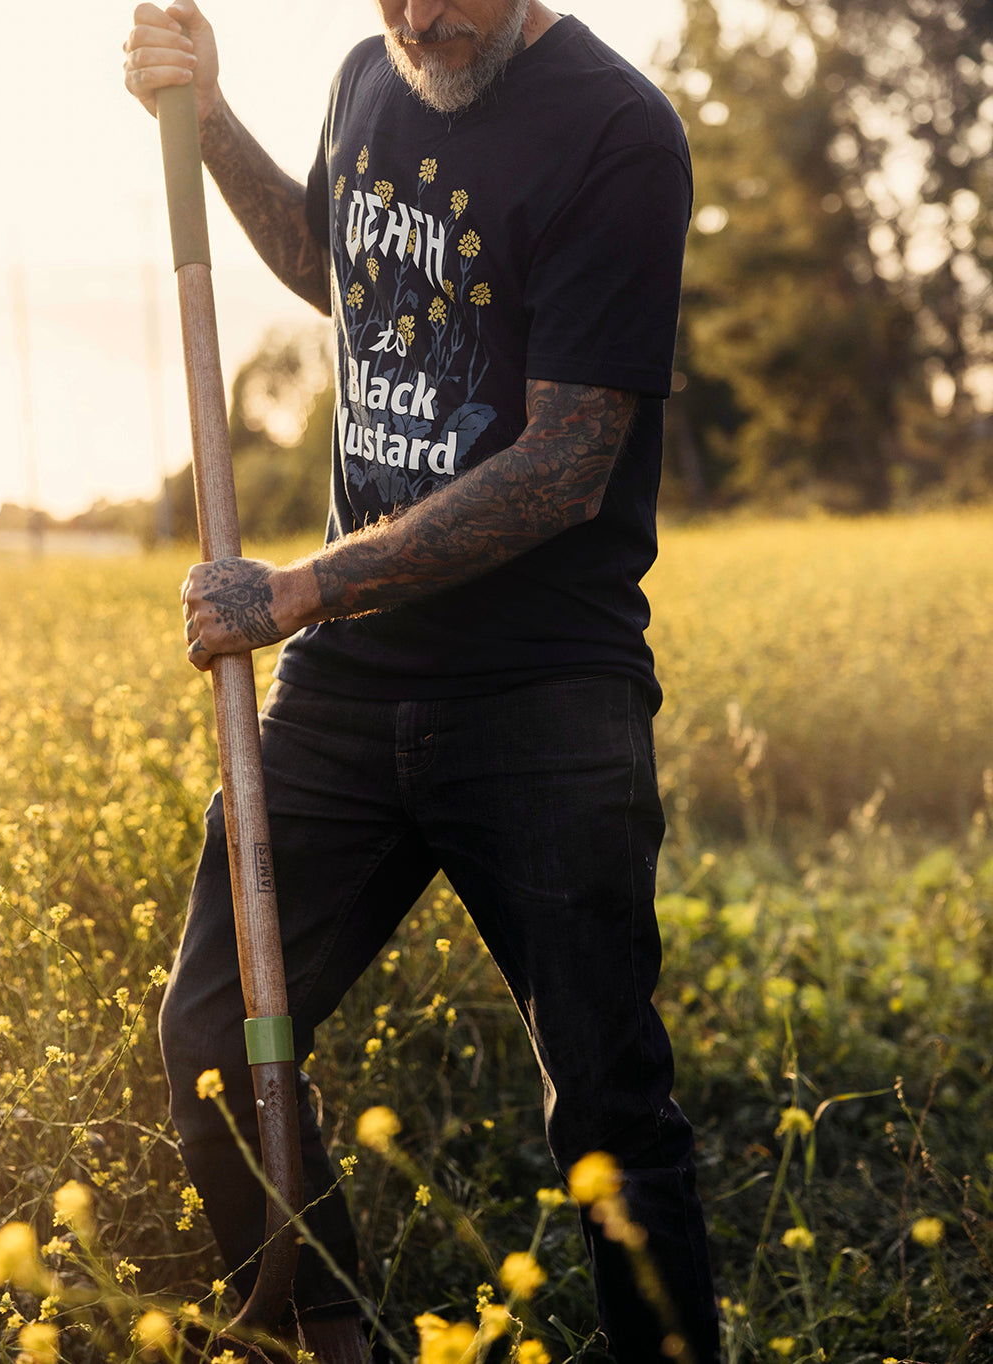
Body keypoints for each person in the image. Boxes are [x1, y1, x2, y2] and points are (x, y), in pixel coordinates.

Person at [124, 3, 720, 1360]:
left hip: (545, 691)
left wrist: (303, 588)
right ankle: (333, 1336)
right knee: (217, 1033)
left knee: (611, 1110)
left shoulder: (615, 133)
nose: (424, 17)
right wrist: (209, 123)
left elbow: (568, 465)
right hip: (347, 685)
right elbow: (337, 266)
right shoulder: (364, 78)